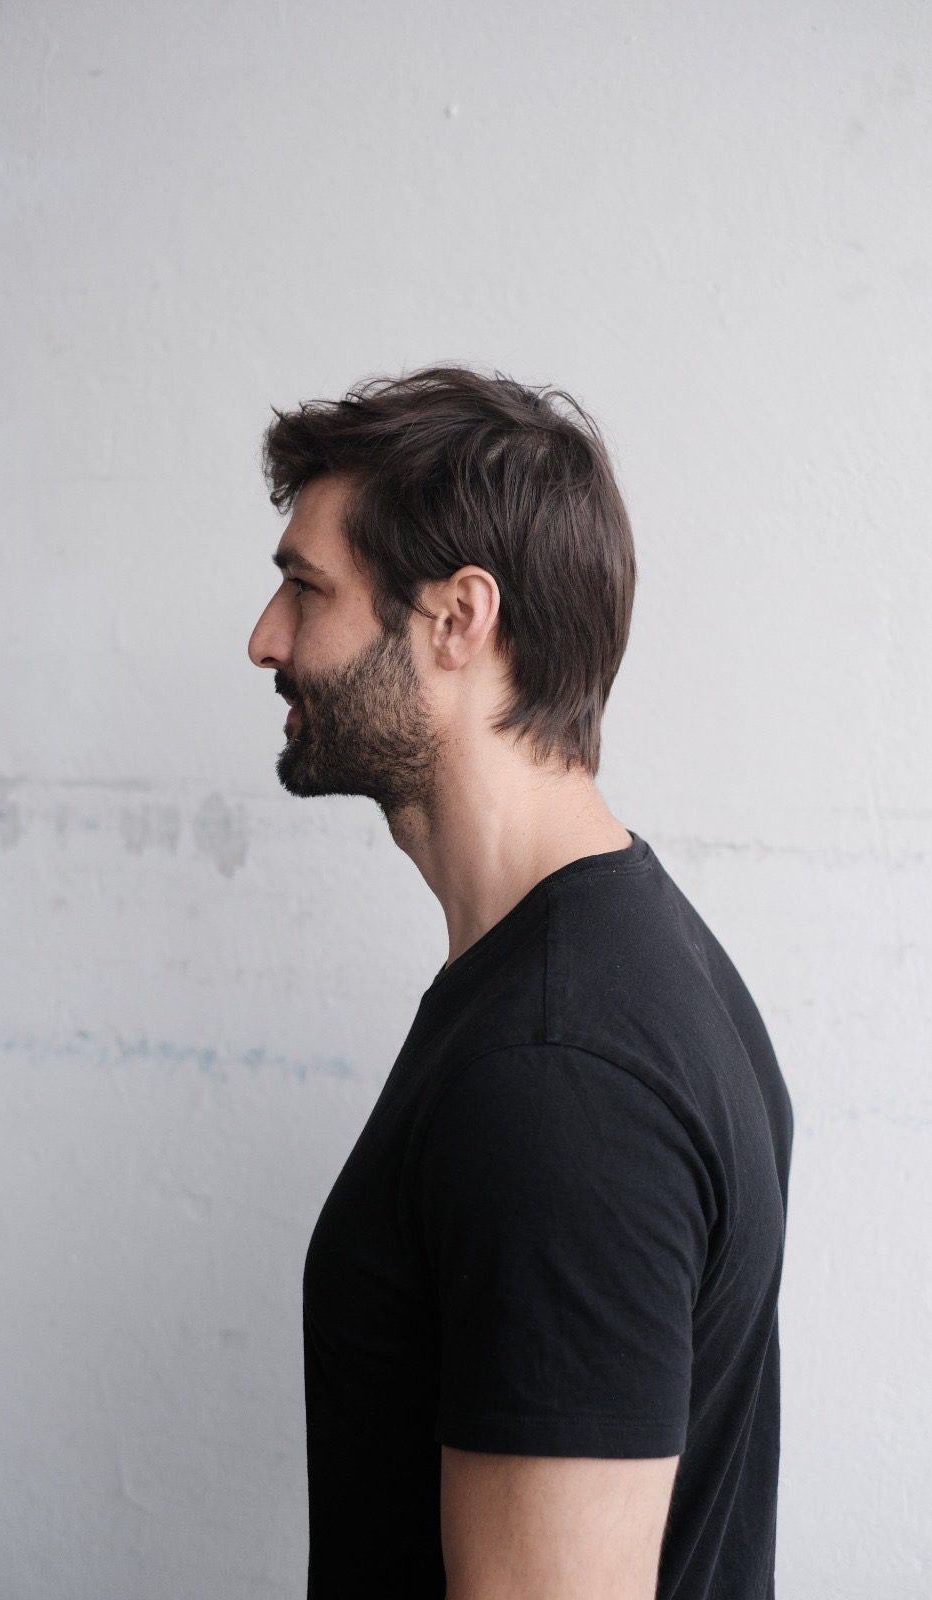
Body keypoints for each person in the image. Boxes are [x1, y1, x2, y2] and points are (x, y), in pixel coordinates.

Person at [246, 364, 794, 1600]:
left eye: (305, 587)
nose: (265, 637)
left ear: (457, 618)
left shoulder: (559, 1081)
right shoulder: (626, 972)